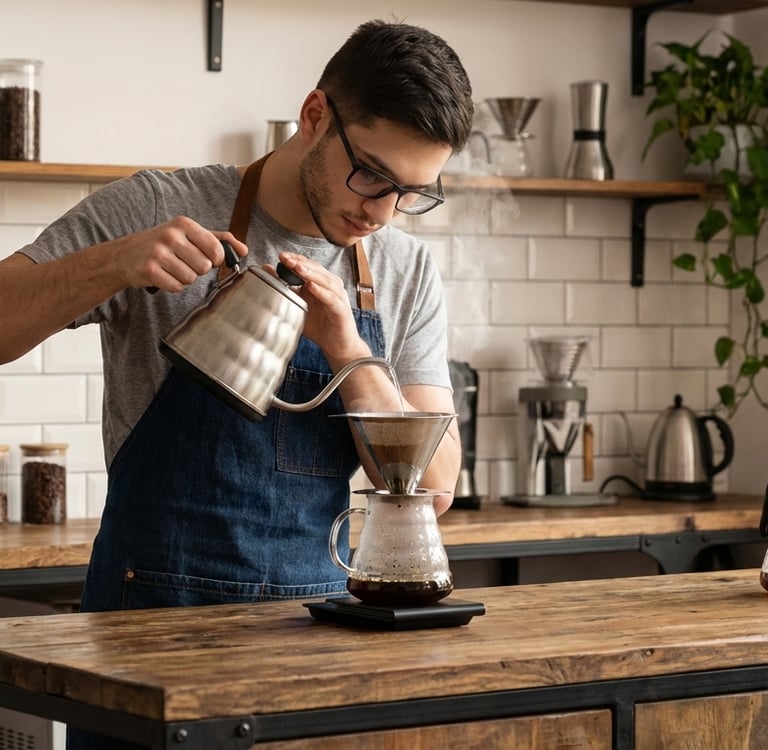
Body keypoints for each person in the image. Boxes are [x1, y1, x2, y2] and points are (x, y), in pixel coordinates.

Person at [0, 19, 472, 748]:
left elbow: (435, 484)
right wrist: (116, 263)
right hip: (145, 636)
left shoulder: (404, 272)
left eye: (411, 193)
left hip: (314, 642)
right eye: (372, 174)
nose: (380, 211)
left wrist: (348, 347)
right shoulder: (156, 208)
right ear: (316, 116)